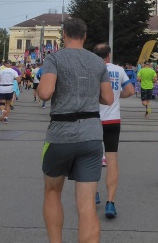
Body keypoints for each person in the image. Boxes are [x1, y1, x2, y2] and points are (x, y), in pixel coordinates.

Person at [38, 18, 113, 243]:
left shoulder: (54, 58)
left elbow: (45, 93)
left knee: (52, 192)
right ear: (85, 36)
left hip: (60, 135)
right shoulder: (98, 62)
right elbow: (108, 98)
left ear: (64, 34)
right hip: (91, 136)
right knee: (87, 205)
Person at [93, 43, 134, 218]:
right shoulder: (118, 70)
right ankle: (111, 202)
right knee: (112, 160)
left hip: (93, 120)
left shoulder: (91, 69)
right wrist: (118, 96)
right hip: (113, 120)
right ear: (109, 55)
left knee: (92, 159)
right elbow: (130, 90)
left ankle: (93, 193)